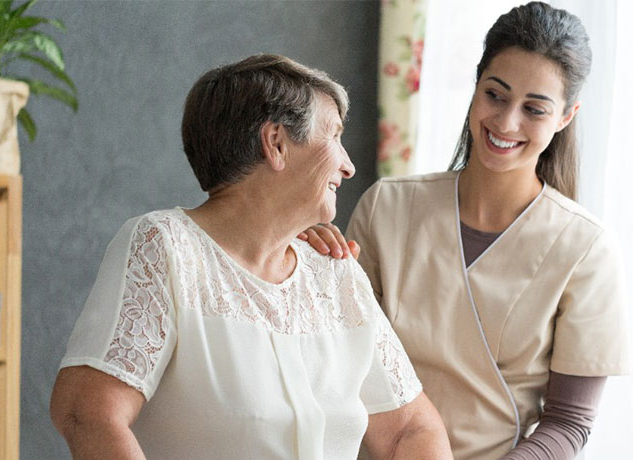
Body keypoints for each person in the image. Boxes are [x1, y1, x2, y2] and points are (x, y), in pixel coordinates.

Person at [50, 54, 452, 460]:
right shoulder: (167, 248)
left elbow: (411, 430)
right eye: (334, 136)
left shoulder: (335, 274)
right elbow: (86, 412)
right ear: (276, 143)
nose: (348, 166)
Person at [299, 3, 628, 459]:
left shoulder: (586, 249)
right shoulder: (388, 207)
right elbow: (338, 364)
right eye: (496, 95)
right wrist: (307, 271)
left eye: (534, 108)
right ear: (476, 87)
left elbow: (568, 424)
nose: (507, 122)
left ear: (565, 117)